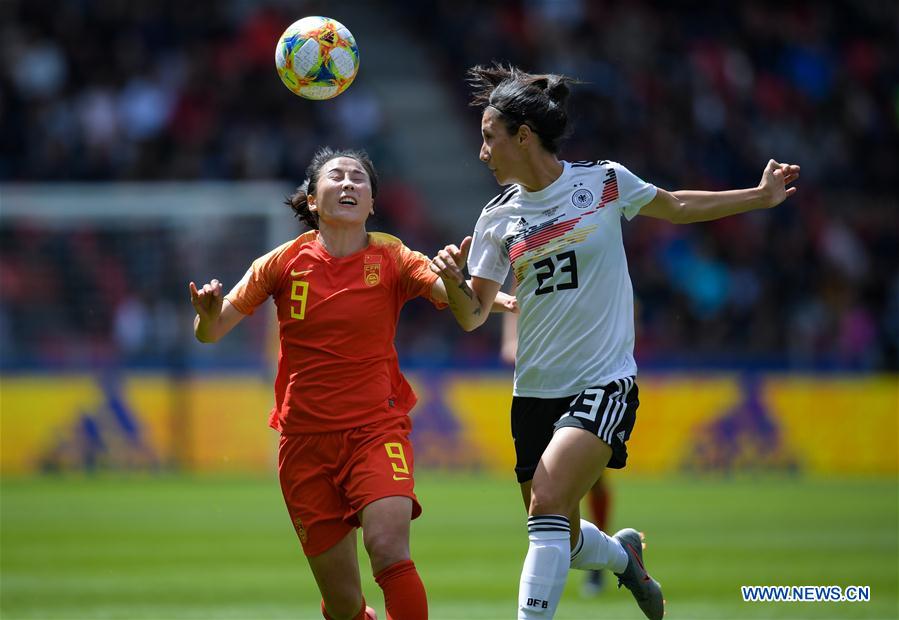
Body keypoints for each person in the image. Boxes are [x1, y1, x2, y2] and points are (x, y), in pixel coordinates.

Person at [430, 64, 800, 620]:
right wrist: (456, 284)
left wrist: (760, 196)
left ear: (523, 136)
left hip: (603, 381)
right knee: (561, 533)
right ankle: (624, 556)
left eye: (489, 137)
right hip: (533, 392)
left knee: (548, 507)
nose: (482, 152)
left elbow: (675, 206)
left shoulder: (602, 181)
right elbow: (474, 315)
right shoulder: (496, 218)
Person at [189, 147, 516, 620]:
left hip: (374, 431)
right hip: (304, 445)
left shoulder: (394, 256)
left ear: (372, 203)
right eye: (336, 177)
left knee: (388, 549)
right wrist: (204, 317)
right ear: (313, 201)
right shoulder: (281, 263)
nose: (348, 184)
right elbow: (213, 331)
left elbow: (468, 312)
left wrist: (458, 280)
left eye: (359, 179)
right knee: (344, 604)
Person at [501, 306, 613, 598]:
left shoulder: (595, 272)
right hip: (538, 385)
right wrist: (513, 343)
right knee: (546, 515)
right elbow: (513, 314)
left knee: (583, 484)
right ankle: (618, 555)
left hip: (584, 379)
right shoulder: (524, 267)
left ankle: (597, 568)